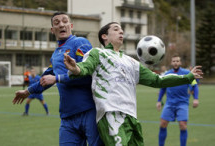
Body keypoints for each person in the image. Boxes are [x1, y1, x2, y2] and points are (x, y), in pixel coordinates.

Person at [63, 22, 203, 146]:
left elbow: (157, 80)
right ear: (104, 36)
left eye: (122, 30)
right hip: (111, 113)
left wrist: (187, 77)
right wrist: (76, 68)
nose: (121, 32)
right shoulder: (98, 53)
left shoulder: (132, 62)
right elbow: (85, 67)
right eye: (116, 29)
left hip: (131, 117)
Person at [13, 12, 103, 146]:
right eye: (56, 23)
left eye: (65, 21)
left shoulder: (80, 42)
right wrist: (28, 91)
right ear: (52, 30)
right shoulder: (56, 54)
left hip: (88, 110)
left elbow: (88, 74)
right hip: (67, 117)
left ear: (71, 26)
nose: (61, 24)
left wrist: (57, 78)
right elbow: (45, 79)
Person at [156, 54, 200, 146]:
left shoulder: (187, 73)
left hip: (182, 103)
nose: (175, 63)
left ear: (180, 62)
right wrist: (159, 100)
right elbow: (163, 88)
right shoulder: (167, 74)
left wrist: (196, 98)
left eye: (177, 61)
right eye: (174, 61)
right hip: (169, 103)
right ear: (171, 62)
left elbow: (195, 85)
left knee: (183, 125)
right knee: (163, 124)